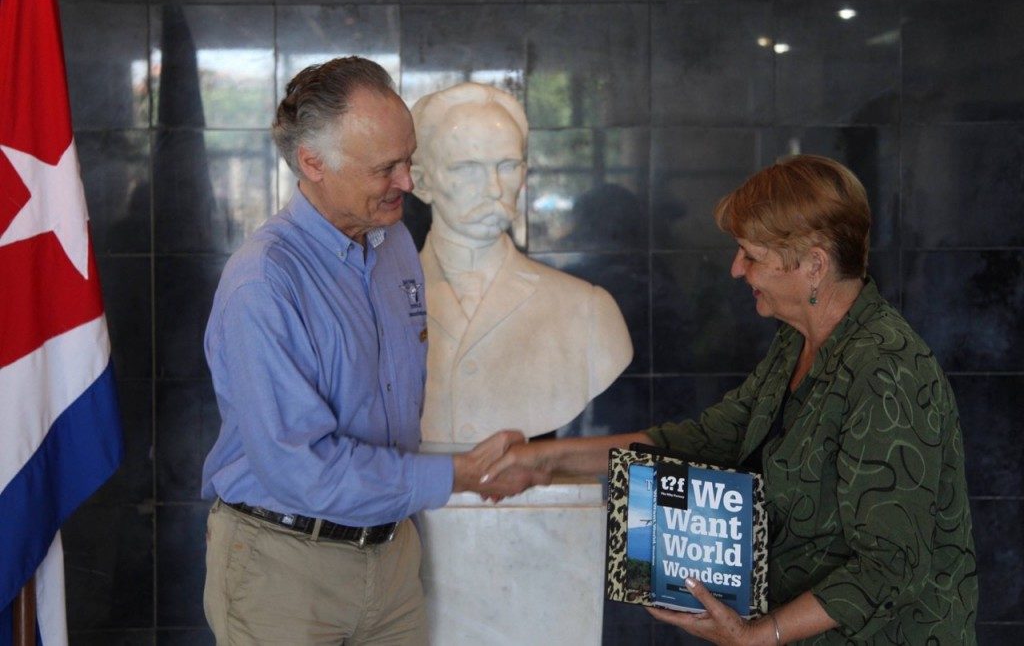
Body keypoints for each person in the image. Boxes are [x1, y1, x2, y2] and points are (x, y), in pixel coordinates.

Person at [484, 155, 978, 645]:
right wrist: (545, 458)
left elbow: (890, 567)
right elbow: (706, 440)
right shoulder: (798, 341)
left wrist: (760, 634)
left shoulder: (887, 370)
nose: (736, 269)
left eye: (752, 255)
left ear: (813, 266)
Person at [200, 57, 534, 645]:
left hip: (391, 555)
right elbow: (302, 467)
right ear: (313, 163)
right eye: (387, 167)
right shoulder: (264, 282)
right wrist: (462, 474)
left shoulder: (395, 243)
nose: (407, 182)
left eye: (410, 159)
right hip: (285, 568)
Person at [409, 82, 633, 448]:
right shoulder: (374, 304)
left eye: (508, 166)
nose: (494, 188)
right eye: (468, 168)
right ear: (421, 182)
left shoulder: (589, 311)